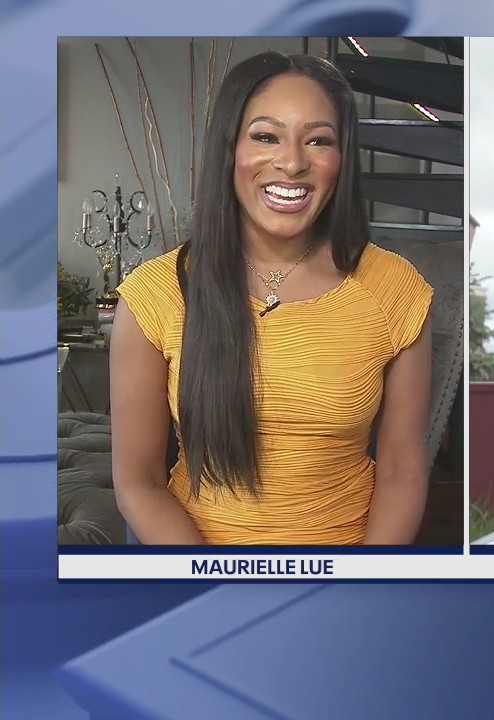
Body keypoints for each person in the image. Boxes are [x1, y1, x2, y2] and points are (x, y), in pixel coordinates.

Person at [111, 51, 435, 545]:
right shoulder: (154, 294)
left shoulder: (396, 290)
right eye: (266, 136)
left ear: (342, 159)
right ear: (230, 149)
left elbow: (401, 469)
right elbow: (139, 482)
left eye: (319, 140)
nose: (292, 163)